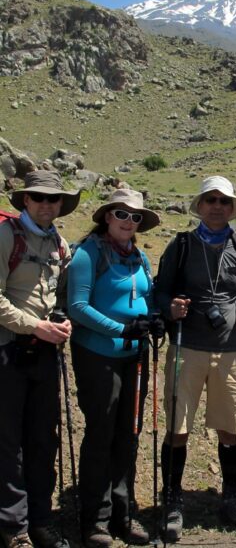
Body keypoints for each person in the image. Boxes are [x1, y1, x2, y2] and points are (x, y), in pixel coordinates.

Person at [154, 176, 236, 539]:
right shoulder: (180, 246)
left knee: (230, 428)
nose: (217, 206)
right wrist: (170, 307)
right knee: (177, 428)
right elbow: (160, 291)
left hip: (229, 351)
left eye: (224, 201)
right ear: (199, 206)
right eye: (210, 200)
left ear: (232, 208)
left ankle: (231, 498)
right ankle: (172, 500)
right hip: (187, 347)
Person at [67, 189, 163, 548]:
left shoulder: (139, 257)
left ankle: (124, 514)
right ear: (107, 216)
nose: (128, 221)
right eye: (121, 214)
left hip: (134, 356)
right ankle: (96, 520)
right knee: (100, 433)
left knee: (129, 433)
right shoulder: (88, 253)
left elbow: (149, 298)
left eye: (135, 217)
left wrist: (154, 320)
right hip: (98, 356)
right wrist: (121, 329)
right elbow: (77, 306)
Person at [0, 170, 80, 548]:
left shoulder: (60, 244)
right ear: (26, 201)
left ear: (60, 204)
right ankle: (14, 527)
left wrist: (59, 322)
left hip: (43, 353)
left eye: (53, 199)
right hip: (7, 351)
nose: (46, 204)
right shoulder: (5, 236)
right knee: (8, 442)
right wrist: (35, 326)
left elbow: (57, 297)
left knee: (42, 440)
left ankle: (40, 520)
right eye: (39, 198)